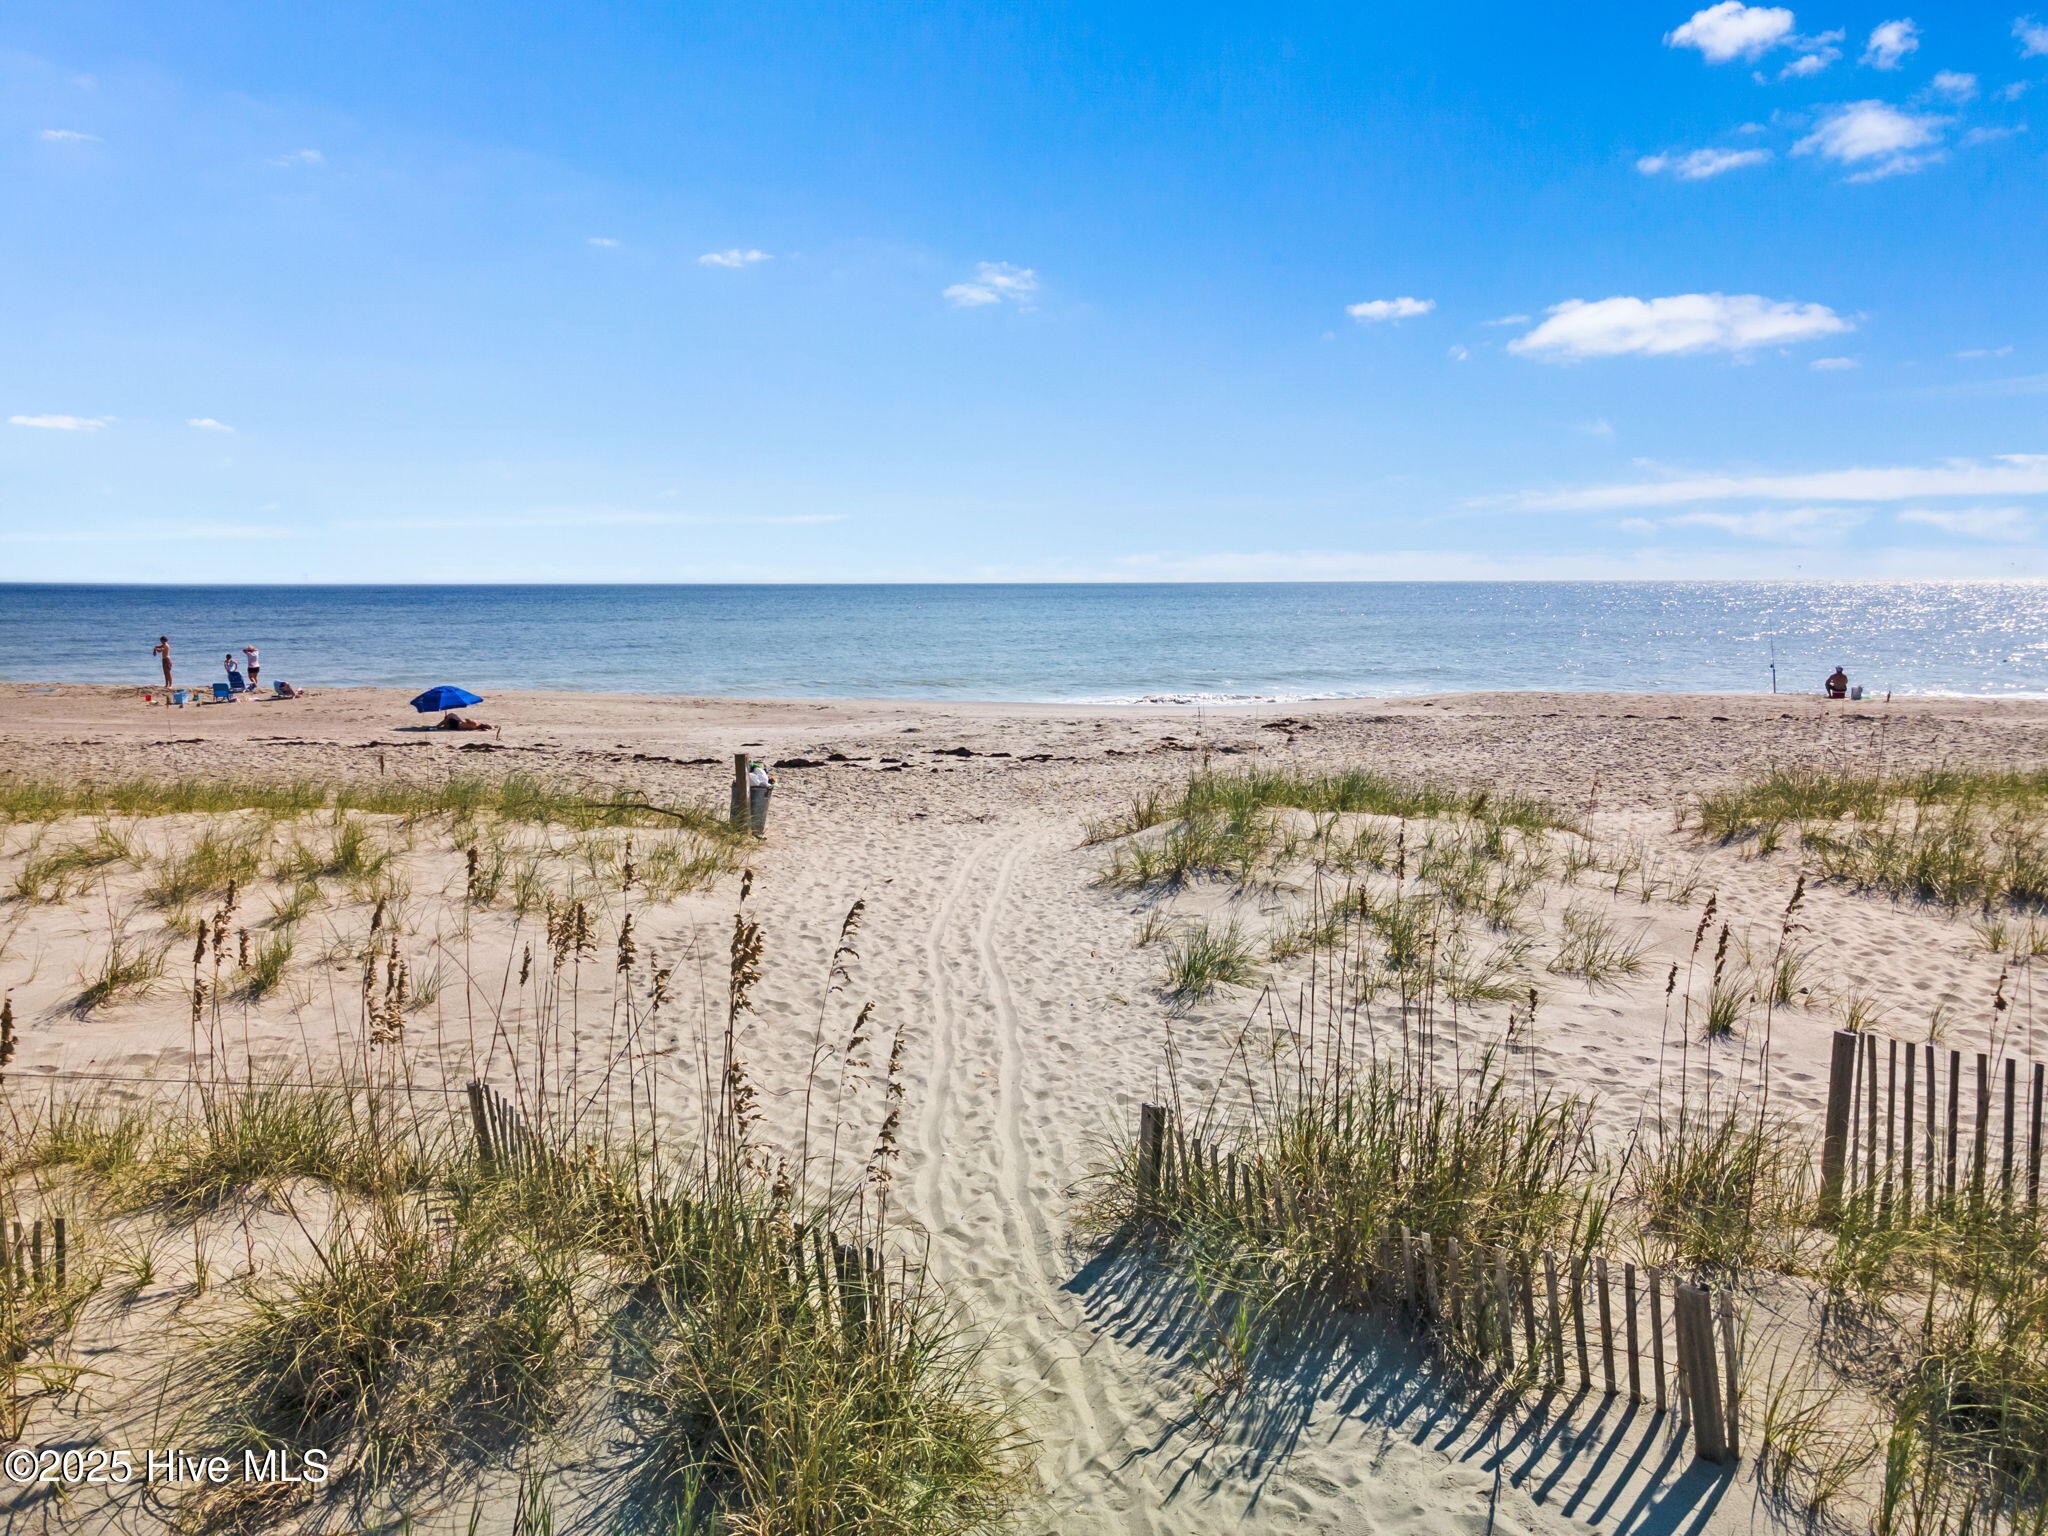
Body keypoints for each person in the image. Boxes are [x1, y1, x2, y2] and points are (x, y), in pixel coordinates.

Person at [746, 758, 775, 836]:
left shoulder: (753, 774)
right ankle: (756, 830)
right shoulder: (757, 774)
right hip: (759, 790)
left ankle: (755, 830)